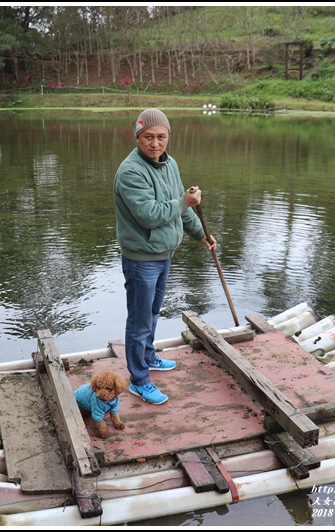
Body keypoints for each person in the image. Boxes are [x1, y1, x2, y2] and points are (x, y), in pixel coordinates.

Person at [113, 108, 216, 405]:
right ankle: (139, 379)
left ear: (168, 137)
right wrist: (185, 201)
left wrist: (201, 235)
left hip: (163, 254)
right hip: (141, 257)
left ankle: (148, 357)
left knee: (153, 312)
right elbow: (149, 216)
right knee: (139, 320)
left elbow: (179, 211)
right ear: (137, 137)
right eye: (148, 137)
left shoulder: (169, 165)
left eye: (161, 137)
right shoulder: (131, 172)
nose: (155, 143)